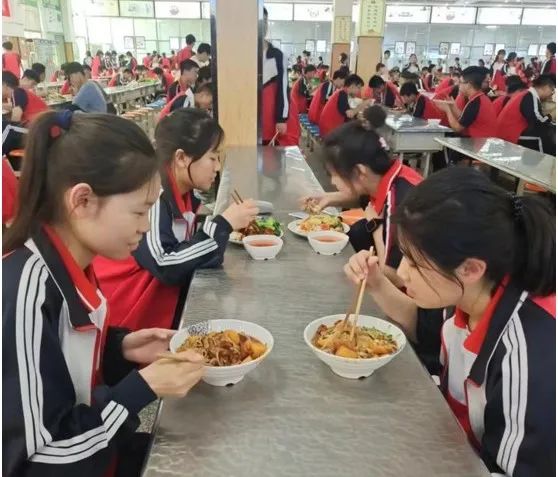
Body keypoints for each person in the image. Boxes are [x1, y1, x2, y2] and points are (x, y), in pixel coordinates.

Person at [3, 110, 206, 477]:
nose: (146, 226)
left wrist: (121, 349)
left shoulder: (72, 264)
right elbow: (36, 462)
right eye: (140, 211)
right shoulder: (25, 292)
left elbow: (61, 371)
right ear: (82, 200)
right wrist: (140, 388)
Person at [344, 167, 555, 477]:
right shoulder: (464, 291)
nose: (401, 273)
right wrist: (375, 283)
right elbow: (424, 326)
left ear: (470, 268)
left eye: (415, 263)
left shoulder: (529, 358)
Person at [94, 108, 259, 331]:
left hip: (155, 310)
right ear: (181, 158)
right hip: (128, 322)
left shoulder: (184, 193)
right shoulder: (152, 195)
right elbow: (165, 264)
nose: (217, 167)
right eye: (212, 157)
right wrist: (222, 225)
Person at [308, 106, 422, 286]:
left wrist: (374, 224)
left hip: (415, 293)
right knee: (359, 230)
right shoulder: (385, 176)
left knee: (361, 230)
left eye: (334, 174)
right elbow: (364, 197)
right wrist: (329, 198)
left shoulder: (401, 202)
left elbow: (396, 276)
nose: (332, 182)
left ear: (359, 171)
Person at [496, 74, 555, 154]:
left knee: (549, 130)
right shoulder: (530, 96)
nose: (552, 93)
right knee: (544, 135)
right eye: (552, 90)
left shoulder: (527, 94)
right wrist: (552, 115)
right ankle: (551, 160)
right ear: (546, 87)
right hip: (508, 135)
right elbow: (539, 121)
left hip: (509, 132)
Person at [434, 66, 497, 139]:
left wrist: (447, 110)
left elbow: (457, 128)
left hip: (477, 143)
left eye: (460, 82)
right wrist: (452, 106)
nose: (458, 85)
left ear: (469, 85)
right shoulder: (479, 98)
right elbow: (463, 118)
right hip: (479, 141)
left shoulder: (475, 102)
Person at [262, 7, 294, 145]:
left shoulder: (276, 55)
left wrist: (282, 118)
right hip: (246, 117)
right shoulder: (242, 53)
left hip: (270, 118)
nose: (263, 25)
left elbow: (283, 89)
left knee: (268, 158)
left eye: (265, 21)